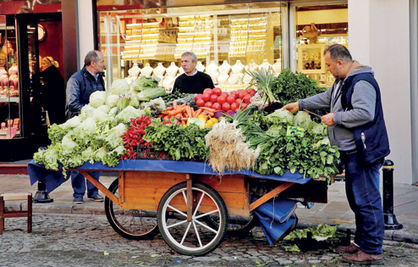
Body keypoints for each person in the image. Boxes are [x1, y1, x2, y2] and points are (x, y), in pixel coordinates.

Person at [282, 44, 389, 265]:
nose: (328, 69)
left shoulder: (361, 82)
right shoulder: (342, 81)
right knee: (356, 199)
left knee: (367, 200)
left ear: (340, 63)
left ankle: (372, 248)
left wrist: (336, 118)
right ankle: (361, 243)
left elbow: (365, 113)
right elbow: (326, 98)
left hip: (363, 151)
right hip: (351, 151)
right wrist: (300, 104)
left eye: (329, 65)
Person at [65, 50, 106, 204]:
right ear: (93, 63)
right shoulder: (75, 79)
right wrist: (91, 111)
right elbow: (72, 104)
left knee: (95, 156)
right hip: (79, 124)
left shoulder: (100, 78)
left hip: (95, 124)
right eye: (101, 61)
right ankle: (78, 194)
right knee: (79, 158)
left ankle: (94, 192)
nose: (104, 63)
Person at [39, 56, 66, 125]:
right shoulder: (56, 72)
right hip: (59, 103)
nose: (42, 66)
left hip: (52, 103)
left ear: (49, 64)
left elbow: (46, 89)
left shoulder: (47, 74)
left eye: (44, 63)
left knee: (52, 122)